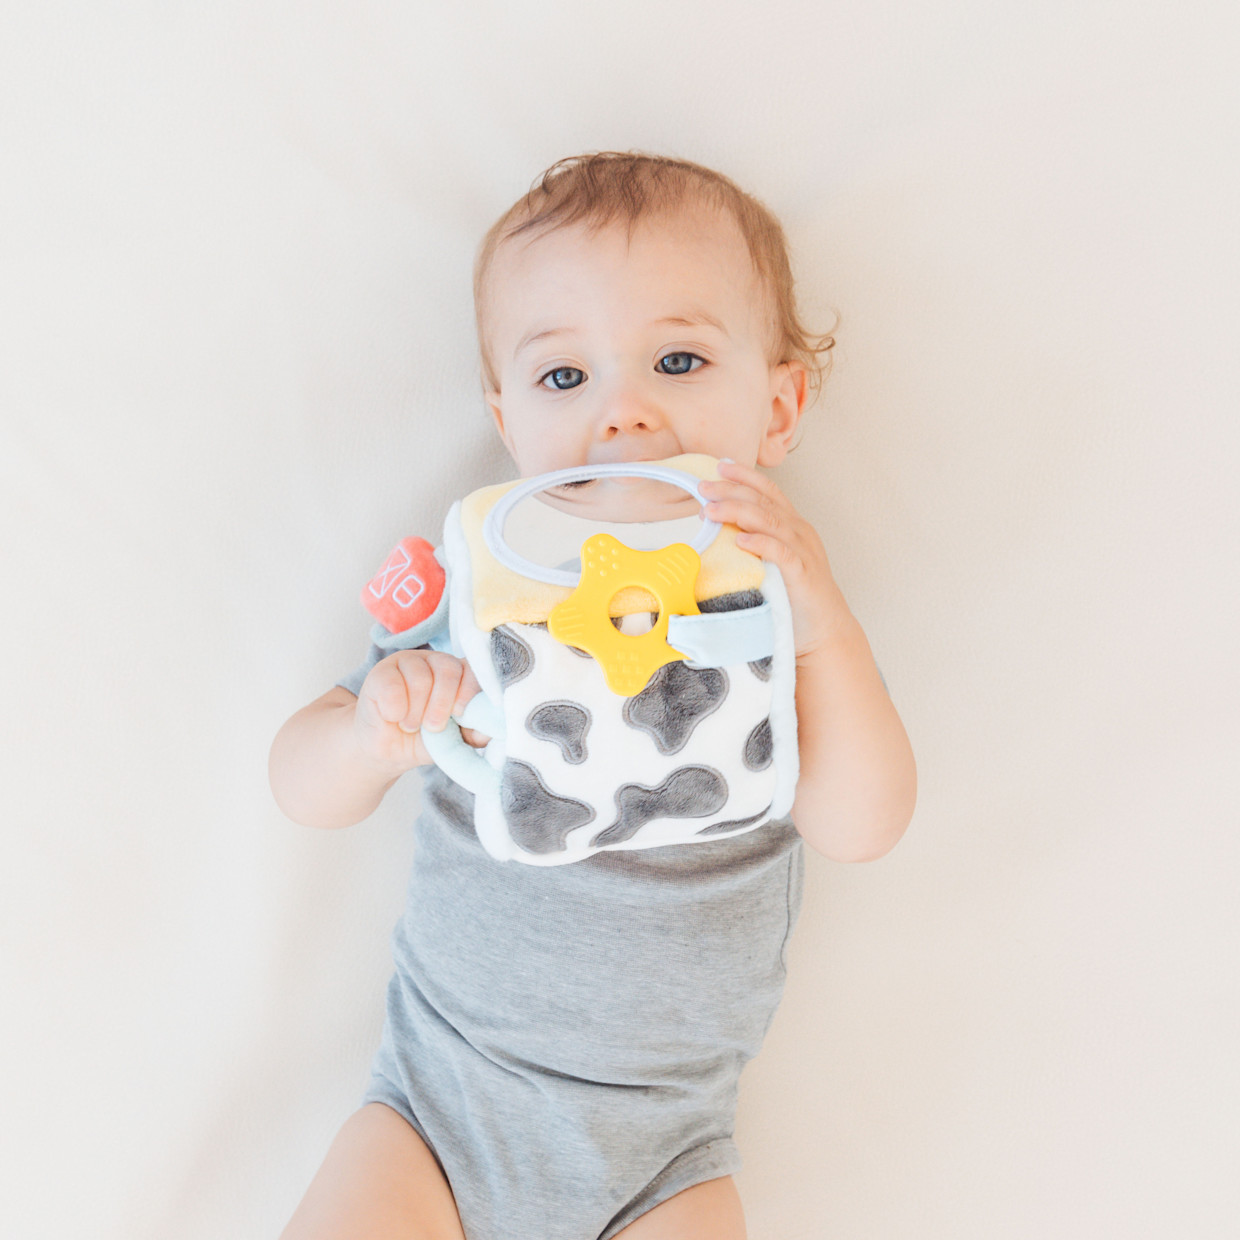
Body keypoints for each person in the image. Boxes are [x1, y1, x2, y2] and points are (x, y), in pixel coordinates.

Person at [268, 151, 917, 1240]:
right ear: (506, 418)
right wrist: (377, 730)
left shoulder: (765, 611)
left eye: (677, 359)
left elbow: (864, 823)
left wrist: (825, 628)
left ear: (780, 403)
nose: (623, 415)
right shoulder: (489, 591)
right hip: (438, 1109)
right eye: (564, 378)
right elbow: (300, 784)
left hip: (665, 1155)